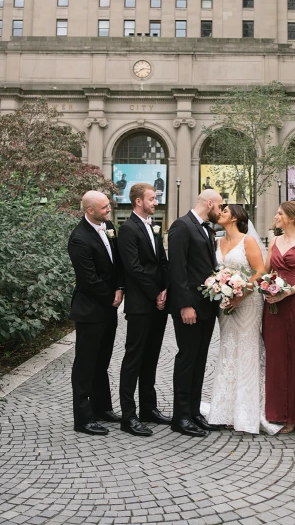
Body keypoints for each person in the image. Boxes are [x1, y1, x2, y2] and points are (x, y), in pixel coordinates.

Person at [206, 205, 281, 434]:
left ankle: (247, 411)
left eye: (225, 211)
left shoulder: (247, 241)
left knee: (247, 349)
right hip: (226, 303)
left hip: (248, 302)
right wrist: (220, 289)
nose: (220, 213)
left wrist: (240, 295)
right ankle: (225, 410)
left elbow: (259, 272)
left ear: (236, 217)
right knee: (229, 349)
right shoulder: (217, 242)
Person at [68, 191, 124, 436]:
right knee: (85, 364)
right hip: (90, 310)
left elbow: (117, 263)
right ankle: (83, 418)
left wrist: (120, 288)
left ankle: (103, 408)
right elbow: (88, 279)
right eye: (104, 208)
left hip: (109, 307)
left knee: (102, 360)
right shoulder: (78, 238)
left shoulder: (108, 226)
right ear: (89, 210)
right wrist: (111, 296)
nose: (108, 210)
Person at [168, 189, 223, 437]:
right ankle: (180, 417)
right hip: (190, 307)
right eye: (220, 206)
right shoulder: (182, 226)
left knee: (200, 360)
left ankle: (194, 412)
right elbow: (177, 269)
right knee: (187, 359)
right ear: (209, 203)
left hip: (206, 307)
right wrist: (184, 305)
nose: (220, 211)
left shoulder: (204, 228)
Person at [117, 183, 170, 437]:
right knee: (133, 359)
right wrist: (154, 293)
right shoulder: (127, 229)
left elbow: (162, 261)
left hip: (158, 302)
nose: (155, 202)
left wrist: (165, 290)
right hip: (140, 305)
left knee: (151, 358)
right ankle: (128, 416)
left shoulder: (153, 226)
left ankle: (149, 408)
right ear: (138, 201)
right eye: (152, 198)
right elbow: (133, 268)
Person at [262, 201, 295, 433]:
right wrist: (265, 287)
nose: (276, 216)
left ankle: (294, 416)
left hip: (294, 306)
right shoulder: (273, 241)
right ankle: (276, 411)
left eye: (280, 213)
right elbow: (265, 272)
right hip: (273, 307)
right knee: (275, 357)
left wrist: (285, 293)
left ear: (292, 218)